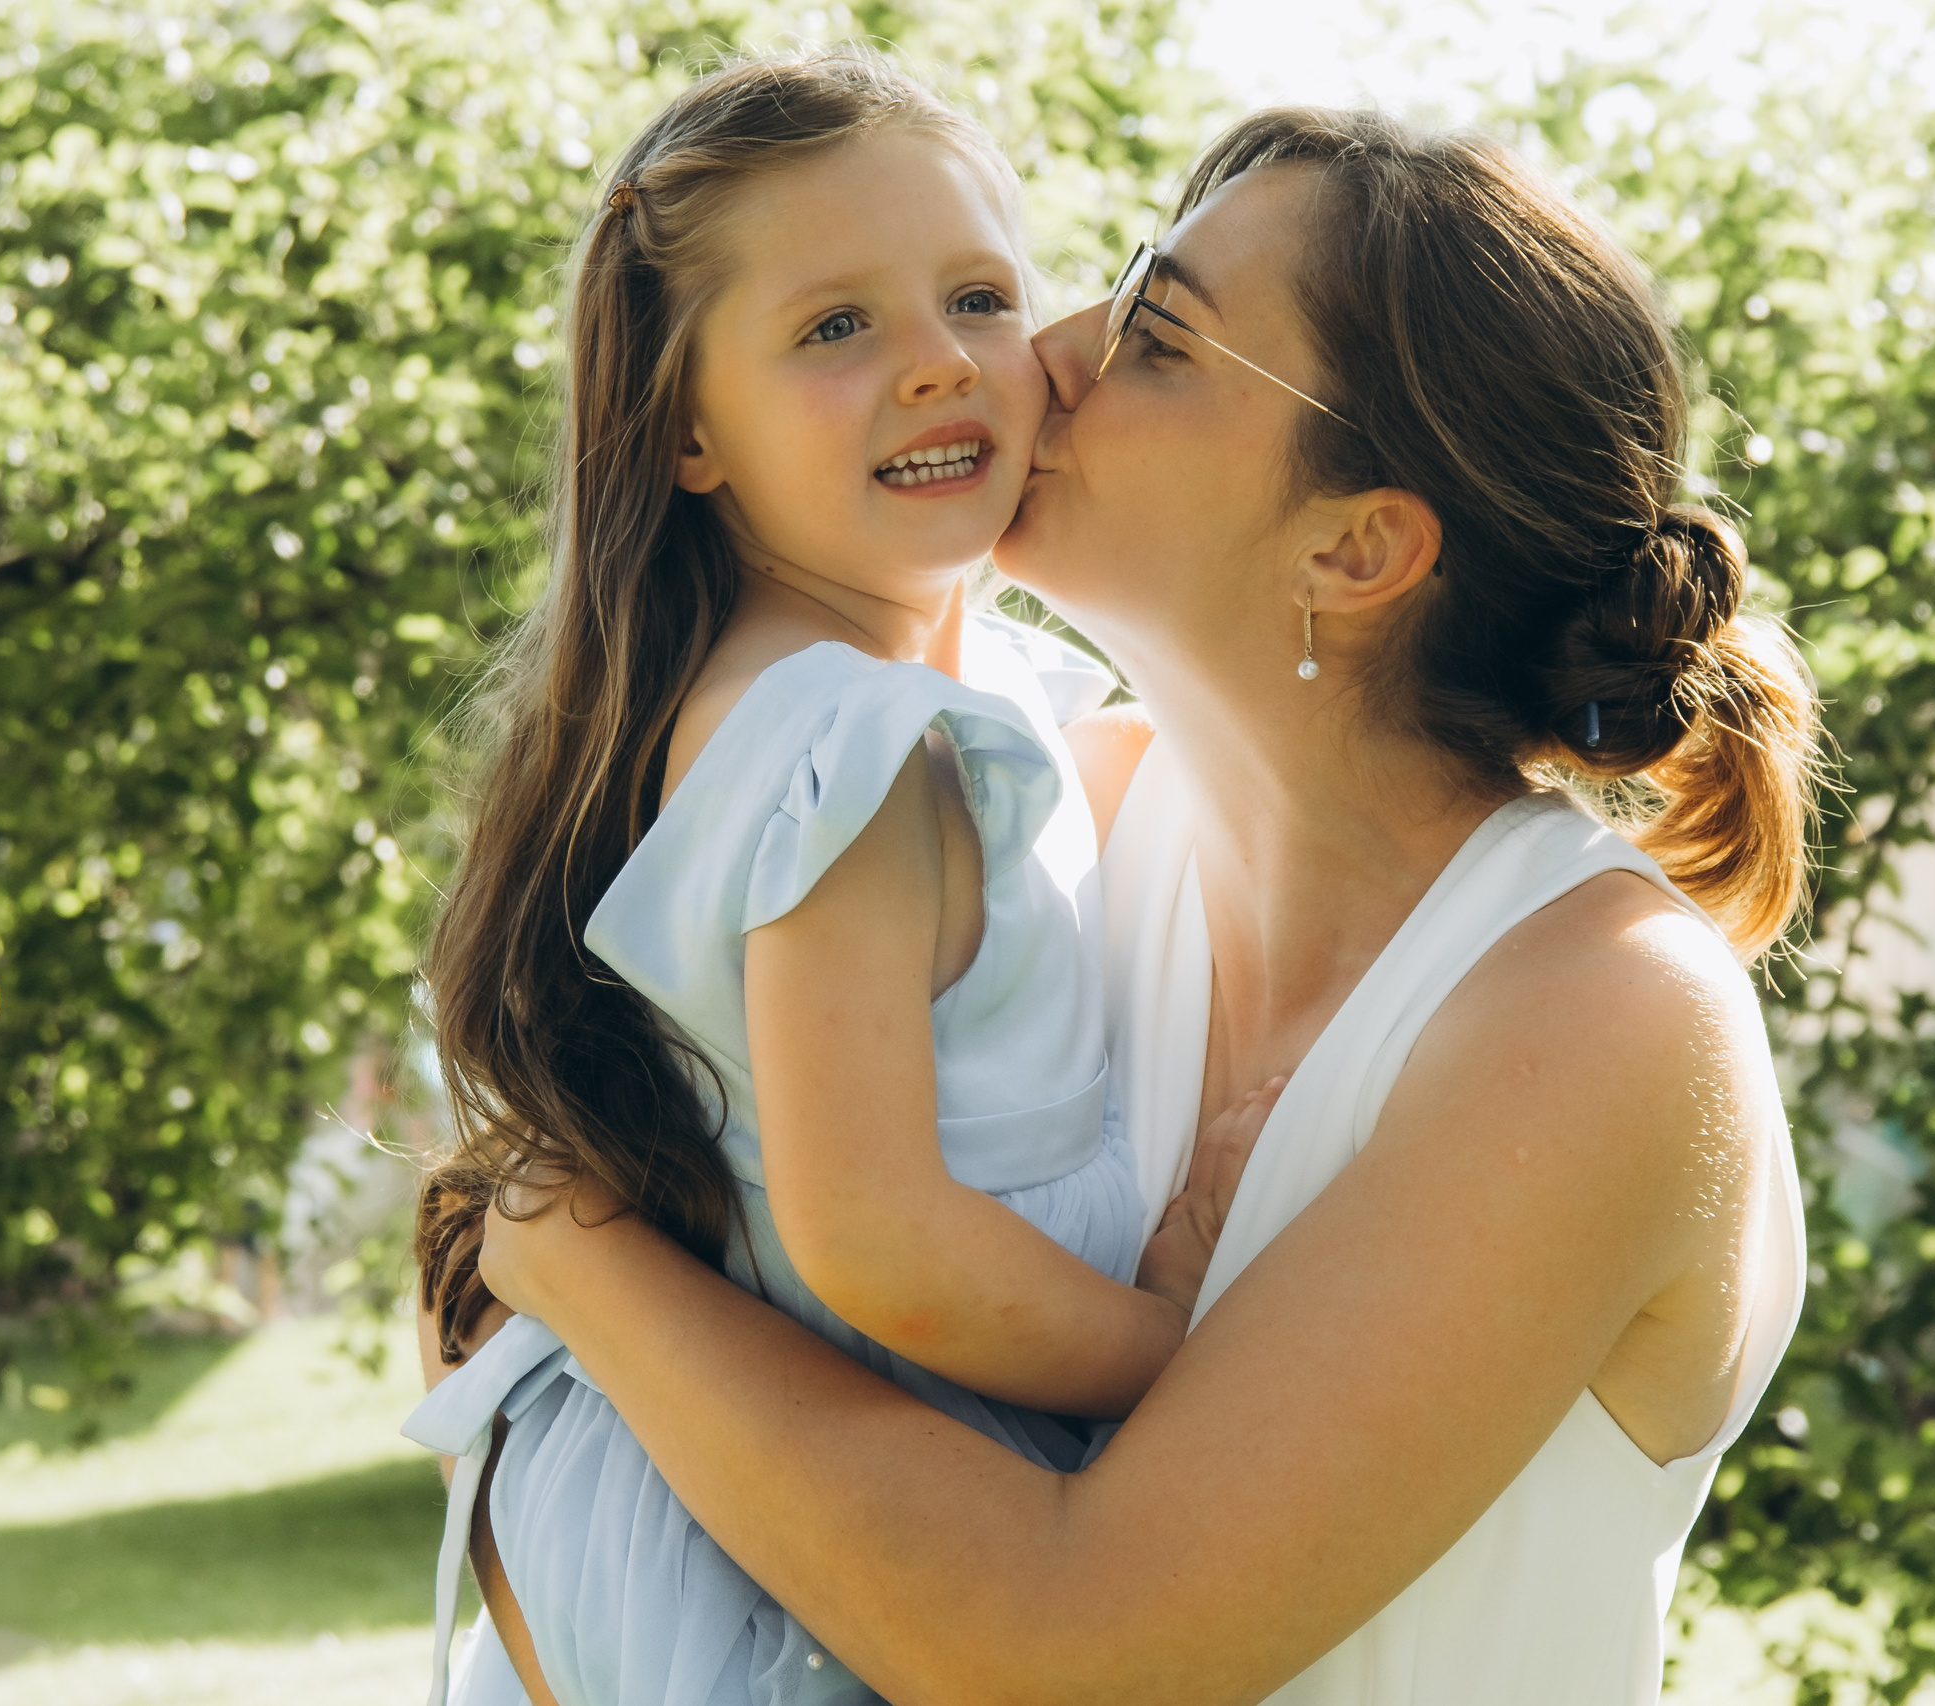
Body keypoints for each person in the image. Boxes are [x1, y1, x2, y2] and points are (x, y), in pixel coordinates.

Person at [473, 105, 1819, 1705]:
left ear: (1358, 546)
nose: (1039, 354)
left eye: (1160, 334)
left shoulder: (1601, 1009)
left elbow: (1061, 1643)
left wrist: (579, 1268)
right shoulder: (1050, 830)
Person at [399, 52, 1277, 1706]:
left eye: (978, 296)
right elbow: (873, 1235)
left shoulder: (912, 700)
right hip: (809, 1562)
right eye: (834, 328)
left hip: (818, 1481)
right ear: (688, 434)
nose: (940, 366)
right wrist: (1177, 1351)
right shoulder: (843, 751)